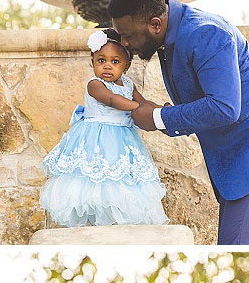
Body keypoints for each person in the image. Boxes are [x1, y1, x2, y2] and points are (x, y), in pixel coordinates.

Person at [107, 0, 249, 245]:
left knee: (242, 246)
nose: (125, 43)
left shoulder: (206, 33)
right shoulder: (169, 33)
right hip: (245, 154)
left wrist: (157, 118)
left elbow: (224, 107)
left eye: (128, 36)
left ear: (155, 24)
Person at [40, 29, 169, 227]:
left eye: (115, 62)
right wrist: (140, 109)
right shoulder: (95, 84)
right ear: (92, 62)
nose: (107, 66)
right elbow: (112, 100)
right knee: (95, 178)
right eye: (101, 60)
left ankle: (117, 221)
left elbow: (143, 102)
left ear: (126, 66)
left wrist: (158, 111)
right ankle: (96, 221)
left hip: (123, 139)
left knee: (121, 179)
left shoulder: (128, 84)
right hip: (96, 139)